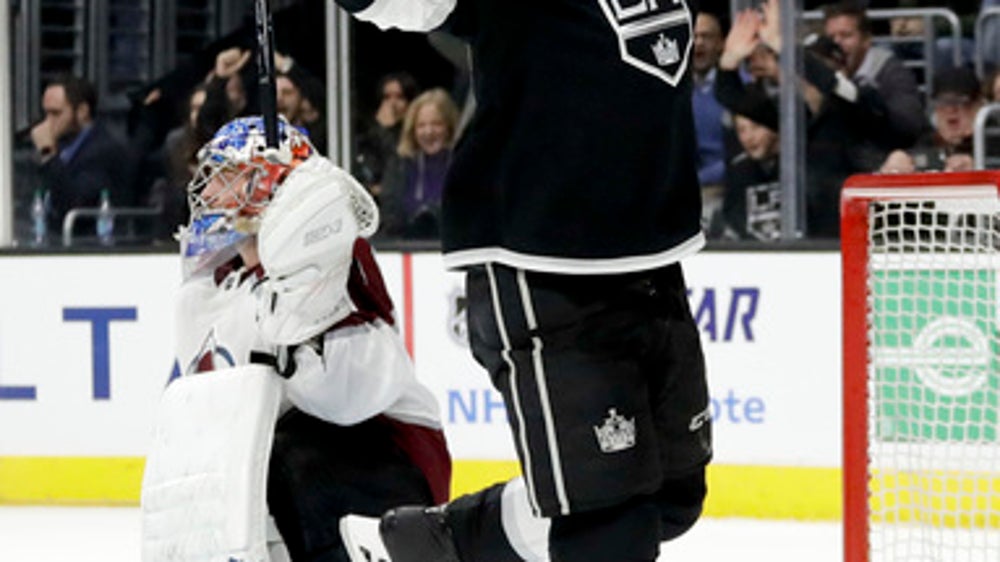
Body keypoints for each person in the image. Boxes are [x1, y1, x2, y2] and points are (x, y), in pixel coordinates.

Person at [332, 2, 713, 562]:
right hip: (541, 264)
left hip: (653, 259)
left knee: (671, 497)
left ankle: (427, 543)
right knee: (610, 522)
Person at [173, 115, 451, 561]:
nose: (206, 195)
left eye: (223, 177)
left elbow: (348, 396)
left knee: (289, 454)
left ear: (264, 182)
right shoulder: (223, 284)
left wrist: (294, 331)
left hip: (385, 458)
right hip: (304, 469)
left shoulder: (325, 254)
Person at [29, 73, 135, 236]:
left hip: (90, 240)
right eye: (46, 113)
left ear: (82, 112)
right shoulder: (62, 146)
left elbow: (75, 202)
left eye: (56, 113)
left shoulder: (104, 150)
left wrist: (48, 155)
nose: (48, 122)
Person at [822, 1, 926, 151]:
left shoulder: (892, 72)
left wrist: (858, 96)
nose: (837, 44)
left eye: (846, 36)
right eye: (831, 38)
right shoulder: (818, 71)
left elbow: (909, 126)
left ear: (866, 40)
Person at [379, 88, 459, 239]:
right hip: (407, 247)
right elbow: (390, 214)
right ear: (412, 130)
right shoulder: (400, 165)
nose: (428, 132)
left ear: (449, 126)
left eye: (436, 124)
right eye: (421, 125)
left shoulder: (461, 164)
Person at [880, 66, 986, 173]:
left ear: (978, 106)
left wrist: (978, 165)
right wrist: (899, 160)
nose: (950, 109)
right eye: (942, 102)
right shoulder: (927, 141)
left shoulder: (990, 141)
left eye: (959, 102)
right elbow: (914, 155)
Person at [691, 11, 732, 235]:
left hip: (725, 188)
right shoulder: (674, 89)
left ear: (721, 43)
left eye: (706, 37)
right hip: (687, 190)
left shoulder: (737, 87)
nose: (698, 43)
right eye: (693, 36)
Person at [353, 72, 420, 198]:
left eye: (399, 97)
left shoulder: (417, 134)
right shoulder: (368, 134)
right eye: (387, 97)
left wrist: (387, 130)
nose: (392, 104)